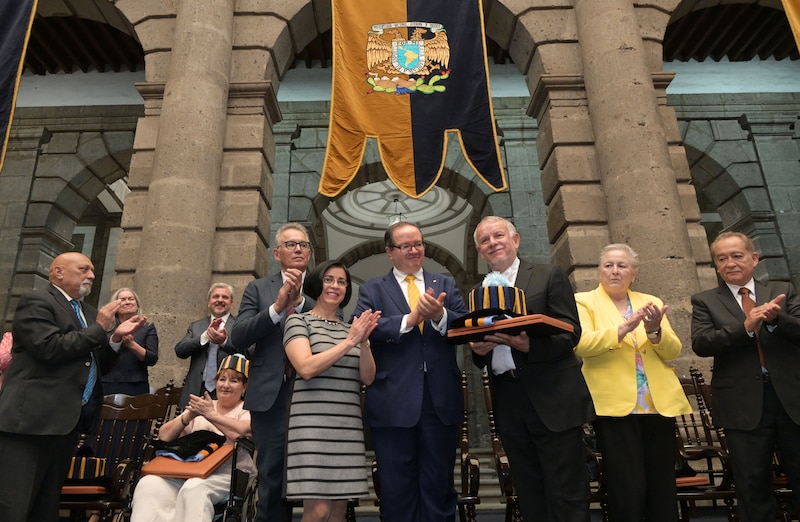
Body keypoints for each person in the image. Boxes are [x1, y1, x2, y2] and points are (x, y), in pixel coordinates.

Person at [0, 251, 147, 522]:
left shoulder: (89, 312)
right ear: (58, 272)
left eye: (92, 270)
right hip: (31, 421)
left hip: (65, 422)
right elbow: (49, 348)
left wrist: (114, 338)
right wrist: (100, 328)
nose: (91, 275)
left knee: (45, 507)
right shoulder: (37, 301)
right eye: (84, 269)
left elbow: (95, 363)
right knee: (14, 504)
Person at [469, 216, 594, 522]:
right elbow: (477, 344)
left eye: (498, 235)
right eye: (484, 241)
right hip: (508, 399)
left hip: (553, 397)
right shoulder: (478, 292)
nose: (492, 243)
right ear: (480, 252)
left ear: (516, 240)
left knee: (566, 490)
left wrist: (529, 347)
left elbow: (570, 333)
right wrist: (478, 351)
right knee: (528, 491)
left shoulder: (547, 275)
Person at [351, 221, 468, 522]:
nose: (414, 250)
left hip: (439, 400)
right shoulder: (372, 289)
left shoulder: (445, 284)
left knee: (439, 485)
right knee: (396, 488)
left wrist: (440, 316)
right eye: (405, 246)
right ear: (389, 252)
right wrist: (410, 318)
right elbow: (361, 329)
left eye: (418, 243)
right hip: (392, 401)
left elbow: (464, 326)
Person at [574, 243, 691, 521]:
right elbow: (581, 344)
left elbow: (673, 350)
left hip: (656, 402)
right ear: (600, 271)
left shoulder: (648, 300)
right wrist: (622, 328)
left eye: (622, 266)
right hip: (614, 405)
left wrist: (655, 331)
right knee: (627, 483)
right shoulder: (583, 301)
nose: (615, 271)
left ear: (634, 273)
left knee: (661, 482)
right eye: (609, 265)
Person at [691, 231, 800, 521]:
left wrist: (778, 320)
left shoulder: (783, 290)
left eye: (737, 256)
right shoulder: (705, 301)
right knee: (752, 486)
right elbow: (701, 343)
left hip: (792, 400)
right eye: (722, 258)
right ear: (716, 266)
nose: (730, 263)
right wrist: (746, 327)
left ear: (754, 259)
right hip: (742, 405)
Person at [230, 222, 314, 522]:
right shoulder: (258, 288)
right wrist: (277, 307)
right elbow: (238, 336)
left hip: (311, 396)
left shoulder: (321, 288)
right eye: (291, 244)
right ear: (277, 253)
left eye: (303, 245)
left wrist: (302, 303)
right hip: (270, 398)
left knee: (312, 481)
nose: (298, 249)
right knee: (272, 477)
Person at [284, 260, 380, 521]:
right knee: (317, 510)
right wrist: (350, 342)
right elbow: (305, 367)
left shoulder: (352, 329)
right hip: (311, 427)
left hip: (346, 427)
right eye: (329, 279)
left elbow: (368, 378)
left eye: (341, 282)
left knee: (338, 509)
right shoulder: (298, 322)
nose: (335, 286)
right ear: (317, 283)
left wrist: (365, 343)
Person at [130, 353, 254, 522]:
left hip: (227, 476)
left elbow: (239, 433)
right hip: (187, 471)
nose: (226, 385)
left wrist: (210, 415)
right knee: (149, 484)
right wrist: (188, 416)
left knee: (194, 488)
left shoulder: (247, 410)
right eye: (222, 379)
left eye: (234, 380)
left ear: (244, 386)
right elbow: (164, 436)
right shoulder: (203, 405)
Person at [176, 283, 246, 409]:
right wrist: (204, 337)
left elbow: (250, 352)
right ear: (209, 302)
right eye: (215, 297)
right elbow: (180, 351)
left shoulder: (240, 325)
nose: (220, 300)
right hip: (197, 389)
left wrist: (224, 342)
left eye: (224, 297)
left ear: (231, 303)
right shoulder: (196, 326)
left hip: (227, 391)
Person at [102, 288, 159, 395]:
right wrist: (116, 339)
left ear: (137, 304)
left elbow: (152, 359)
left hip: (135, 384)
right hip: (107, 383)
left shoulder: (147, 328)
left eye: (131, 299)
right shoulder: (106, 328)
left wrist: (132, 344)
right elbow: (100, 357)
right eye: (122, 300)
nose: (127, 302)